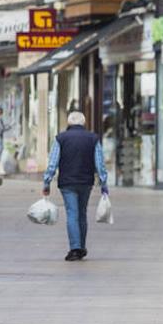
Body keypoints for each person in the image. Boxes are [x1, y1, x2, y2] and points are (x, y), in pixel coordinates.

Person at [42, 111, 109, 261]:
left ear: (69, 122)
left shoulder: (61, 138)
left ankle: (75, 248)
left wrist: (47, 182)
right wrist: (103, 182)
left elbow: (53, 163)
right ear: (83, 123)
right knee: (82, 213)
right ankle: (81, 247)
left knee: (72, 213)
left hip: (67, 182)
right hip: (86, 182)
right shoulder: (93, 138)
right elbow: (100, 163)